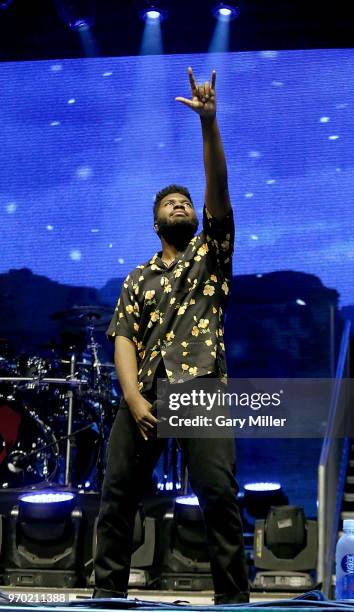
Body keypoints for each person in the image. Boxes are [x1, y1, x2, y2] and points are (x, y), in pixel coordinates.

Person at [93, 67, 249, 604]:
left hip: (200, 388)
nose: (180, 205)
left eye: (186, 202)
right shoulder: (138, 277)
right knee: (116, 500)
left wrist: (209, 124)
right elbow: (124, 339)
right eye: (169, 204)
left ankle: (234, 602)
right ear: (156, 224)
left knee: (219, 500)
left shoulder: (211, 255)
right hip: (145, 396)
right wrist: (132, 397)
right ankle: (107, 598)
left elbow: (219, 193)